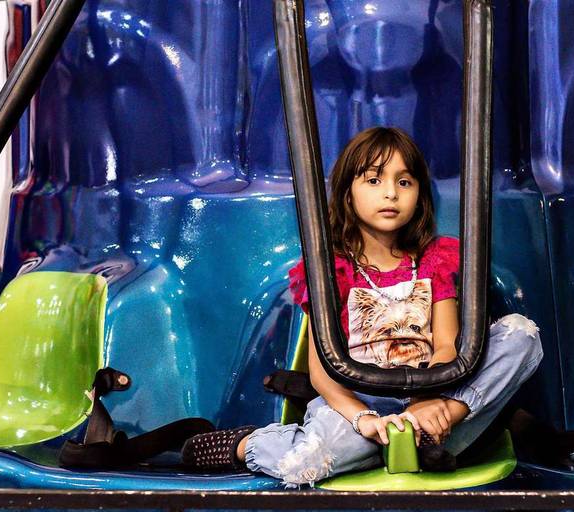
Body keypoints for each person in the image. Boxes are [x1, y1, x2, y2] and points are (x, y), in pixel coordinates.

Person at [181, 127, 543, 487]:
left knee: (523, 336)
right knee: (302, 465)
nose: (390, 193)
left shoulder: (434, 260)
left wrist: (431, 402)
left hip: (433, 396)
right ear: (348, 193)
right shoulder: (331, 270)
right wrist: (363, 420)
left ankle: (429, 428)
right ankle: (247, 444)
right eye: (373, 180)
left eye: (404, 182)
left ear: (419, 194)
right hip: (359, 404)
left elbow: (448, 345)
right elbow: (323, 370)